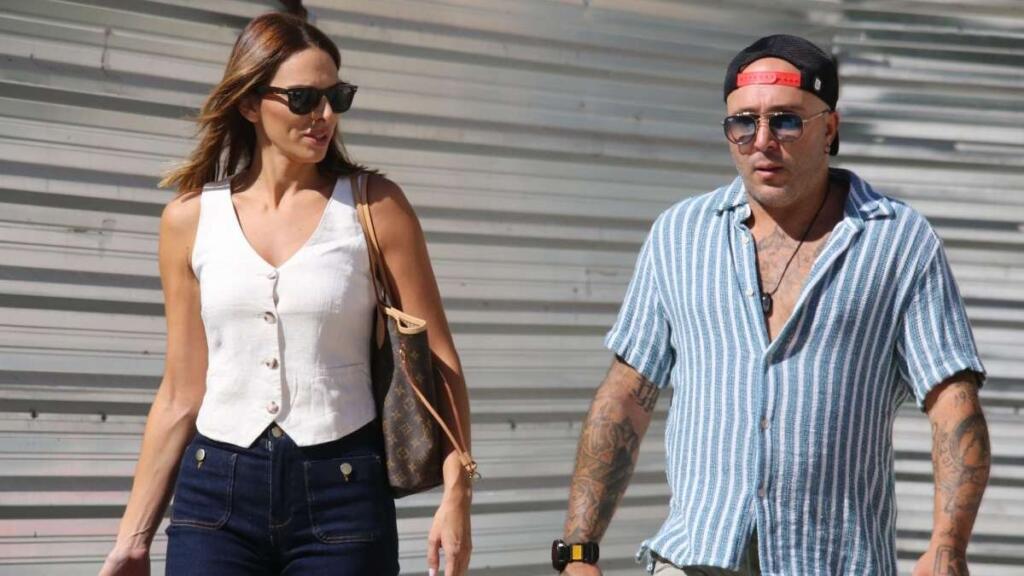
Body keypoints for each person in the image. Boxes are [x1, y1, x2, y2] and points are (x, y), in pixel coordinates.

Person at [553, 35, 989, 576]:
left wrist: (948, 547)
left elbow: (953, 404)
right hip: (695, 559)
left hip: (833, 562)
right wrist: (578, 550)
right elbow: (624, 398)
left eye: (786, 121)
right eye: (743, 123)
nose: (762, 141)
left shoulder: (898, 241)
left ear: (829, 129)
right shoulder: (680, 235)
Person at [98, 11, 472, 576]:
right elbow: (180, 393)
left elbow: (439, 361)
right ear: (250, 104)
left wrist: (457, 495)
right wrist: (133, 538)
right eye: (303, 99)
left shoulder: (375, 207)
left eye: (336, 97)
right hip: (214, 493)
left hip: (343, 491)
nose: (325, 115)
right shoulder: (189, 219)